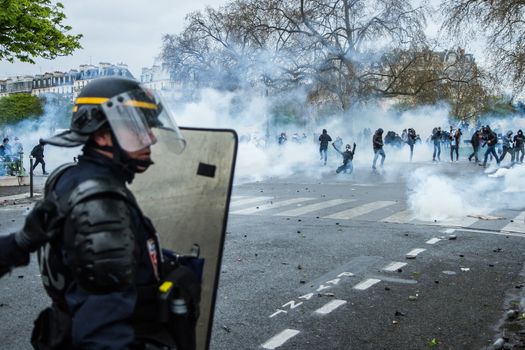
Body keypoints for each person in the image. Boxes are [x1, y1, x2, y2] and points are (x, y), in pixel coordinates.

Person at [0, 77, 200, 349]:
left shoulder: (71, 179)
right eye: (138, 127)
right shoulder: (101, 204)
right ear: (102, 134)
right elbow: (102, 336)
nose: (151, 137)